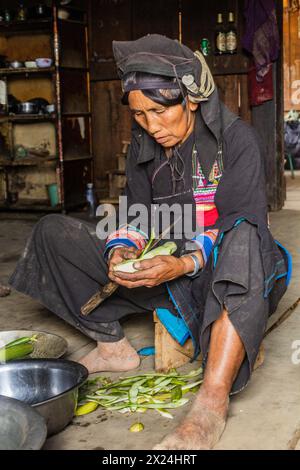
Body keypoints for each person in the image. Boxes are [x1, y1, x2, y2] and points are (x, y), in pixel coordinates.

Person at [9, 34, 291, 450]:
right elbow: (138, 213)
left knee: (246, 235)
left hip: (226, 271)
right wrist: (120, 247)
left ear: (191, 99)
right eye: (140, 116)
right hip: (166, 271)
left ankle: (211, 402)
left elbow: (241, 223)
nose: (151, 126)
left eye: (159, 111)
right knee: (53, 231)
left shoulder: (237, 141)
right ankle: (112, 347)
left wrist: (185, 262)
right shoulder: (145, 144)